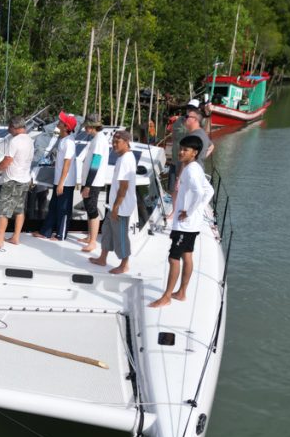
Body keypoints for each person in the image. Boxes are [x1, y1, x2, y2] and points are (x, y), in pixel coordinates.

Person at [149, 134, 214, 307]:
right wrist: (198, 210)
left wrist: (189, 212)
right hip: (191, 224)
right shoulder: (195, 167)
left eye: (186, 150)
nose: (181, 152)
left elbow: (199, 193)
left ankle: (167, 297)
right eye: (181, 148)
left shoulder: (191, 171)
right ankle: (182, 292)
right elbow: (210, 191)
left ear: (195, 152)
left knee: (173, 258)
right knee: (187, 255)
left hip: (185, 225)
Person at [90, 129, 136, 275]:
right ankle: (102, 258)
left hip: (121, 207)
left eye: (117, 142)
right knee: (107, 231)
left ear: (126, 142)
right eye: (113, 141)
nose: (114, 144)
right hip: (115, 205)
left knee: (120, 236)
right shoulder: (122, 157)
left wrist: (116, 207)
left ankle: (124, 264)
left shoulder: (126, 160)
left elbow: (124, 187)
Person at [0, 116, 33, 249]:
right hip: (25, 180)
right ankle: (16, 237)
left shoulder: (15, 141)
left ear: (15, 127)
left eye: (9, 127)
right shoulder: (29, 140)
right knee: (19, 210)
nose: (8, 130)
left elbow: (7, 162)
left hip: (13, 181)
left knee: (3, 211)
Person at [33, 111, 78, 241]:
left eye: (61, 121)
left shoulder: (69, 142)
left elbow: (67, 164)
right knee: (53, 206)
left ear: (65, 126)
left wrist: (61, 183)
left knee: (63, 209)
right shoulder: (63, 139)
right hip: (59, 181)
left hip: (65, 183)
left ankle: (61, 235)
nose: (58, 122)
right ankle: (45, 232)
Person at [76, 114, 109, 253]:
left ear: (92, 127)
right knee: (89, 209)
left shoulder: (99, 140)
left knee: (92, 209)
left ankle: (93, 242)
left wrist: (88, 185)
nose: (85, 129)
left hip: (93, 182)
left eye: (86, 127)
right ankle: (90, 237)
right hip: (90, 181)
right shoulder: (96, 138)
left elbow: (95, 163)